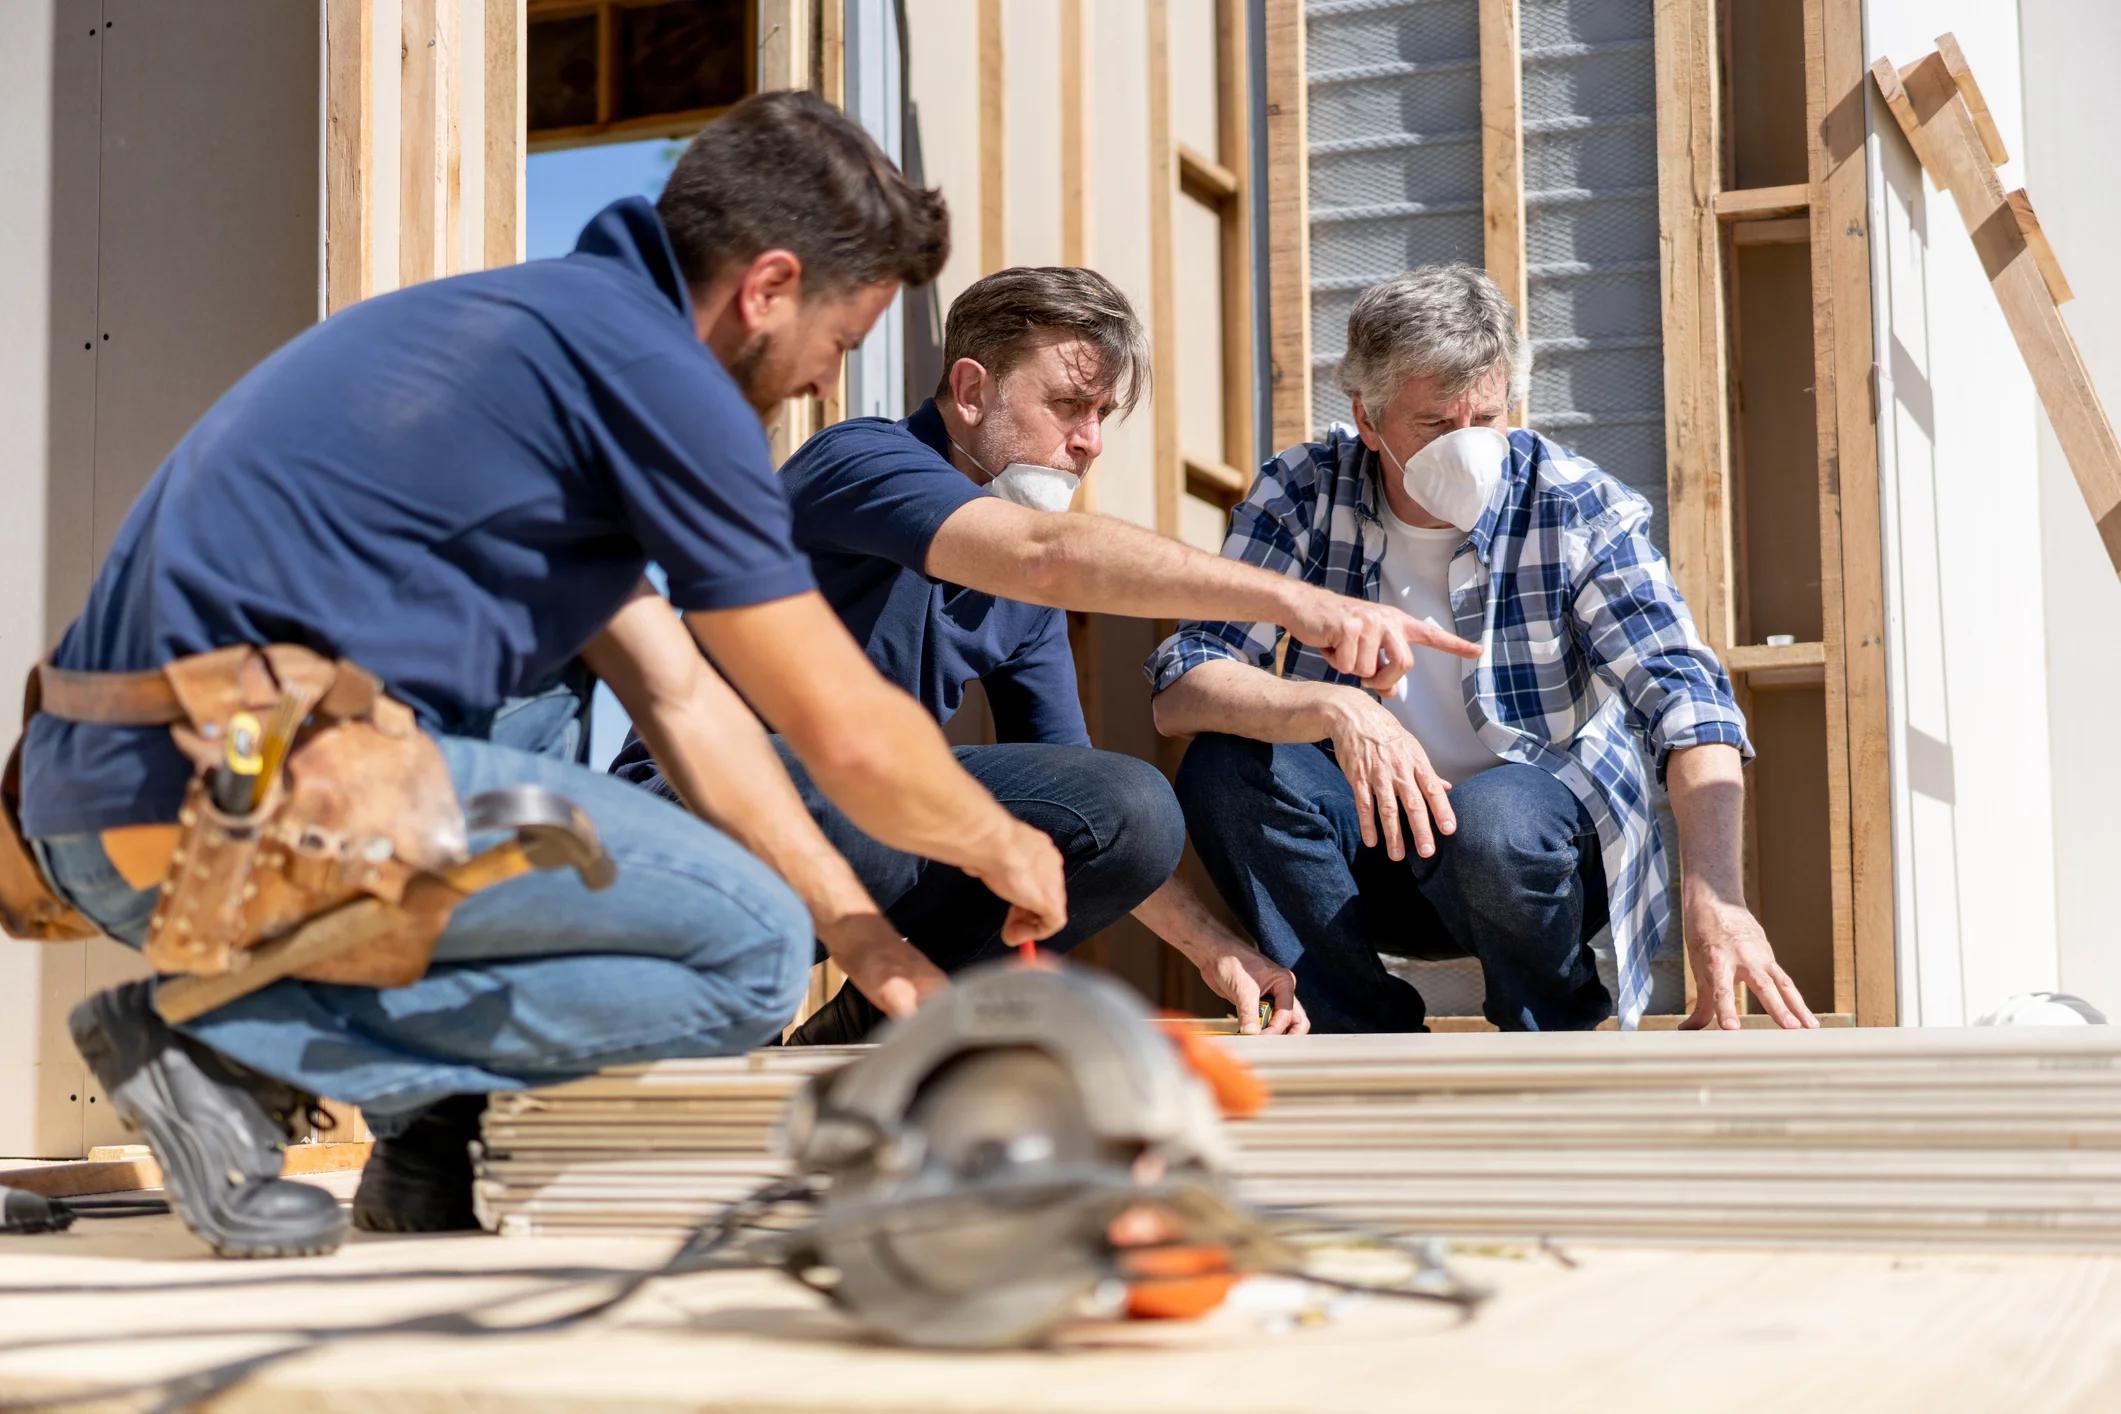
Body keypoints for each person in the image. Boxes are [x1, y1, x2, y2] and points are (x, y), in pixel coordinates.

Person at [11, 92, 1069, 1258]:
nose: (826, 383)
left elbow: (688, 700)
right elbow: (841, 722)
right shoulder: (647, 369)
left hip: (119, 798)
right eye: (843, 340)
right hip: (221, 793)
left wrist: (866, 937)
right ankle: (223, 1046)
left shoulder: (541, 347)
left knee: (551, 746)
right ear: (767, 287)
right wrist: (995, 836)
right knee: (748, 949)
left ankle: (419, 1140)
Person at [613, 266, 1476, 1044]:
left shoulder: (1021, 597)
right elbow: (1038, 550)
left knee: (1127, 809)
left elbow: (1083, 796)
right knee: (880, 782)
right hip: (687, 812)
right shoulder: (859, 463)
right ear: (969, 388)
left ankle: (874, 1033)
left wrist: (1219, 953)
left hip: (853, 826)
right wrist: (1298, 602)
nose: (1090, 441)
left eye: (1102, 416)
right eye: (1068, 406)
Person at [1148, 264, 1818, 1034]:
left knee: (1497, 818)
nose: (1465, 448)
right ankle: (1357, 1035)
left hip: (1528, 851)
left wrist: (1716, 892)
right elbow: (1181, 685)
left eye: (1486, 419)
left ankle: (1552, 1033)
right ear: (1367, 419)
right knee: (1225, 767)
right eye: (1434, 426)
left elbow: (1685, 695)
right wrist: (1334, 708)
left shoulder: (1573, 502)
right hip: (1364, 849)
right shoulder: (1302, 492)